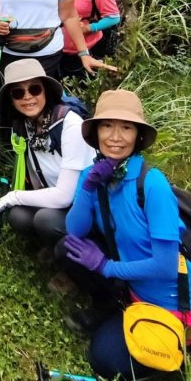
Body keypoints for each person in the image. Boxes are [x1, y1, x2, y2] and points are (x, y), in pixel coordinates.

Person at [62, 89, 189, 379]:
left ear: (138, 136)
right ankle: (113, 308)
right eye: (107, 125)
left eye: (126, 127)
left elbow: (165, 265)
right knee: (67, 247)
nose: (115, 136)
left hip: (172, 300)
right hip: (134, 290)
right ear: (96, 132)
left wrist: (105, 267)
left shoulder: (152, 184)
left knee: (104, 359)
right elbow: (74, 229)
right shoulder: (92, 174)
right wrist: (88, 187)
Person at [0, 59, 95, 245]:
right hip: (56, 198)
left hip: (84, 206)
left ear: (46, 90)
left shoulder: (70, 124)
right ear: (11, 100)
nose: (28, 97)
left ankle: (81, 255)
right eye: (18, 92)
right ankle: (50, 251)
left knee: (45, 219)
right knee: (18, 215)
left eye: (35, 89)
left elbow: (64, 196)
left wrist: (13, 196)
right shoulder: (23, 127)